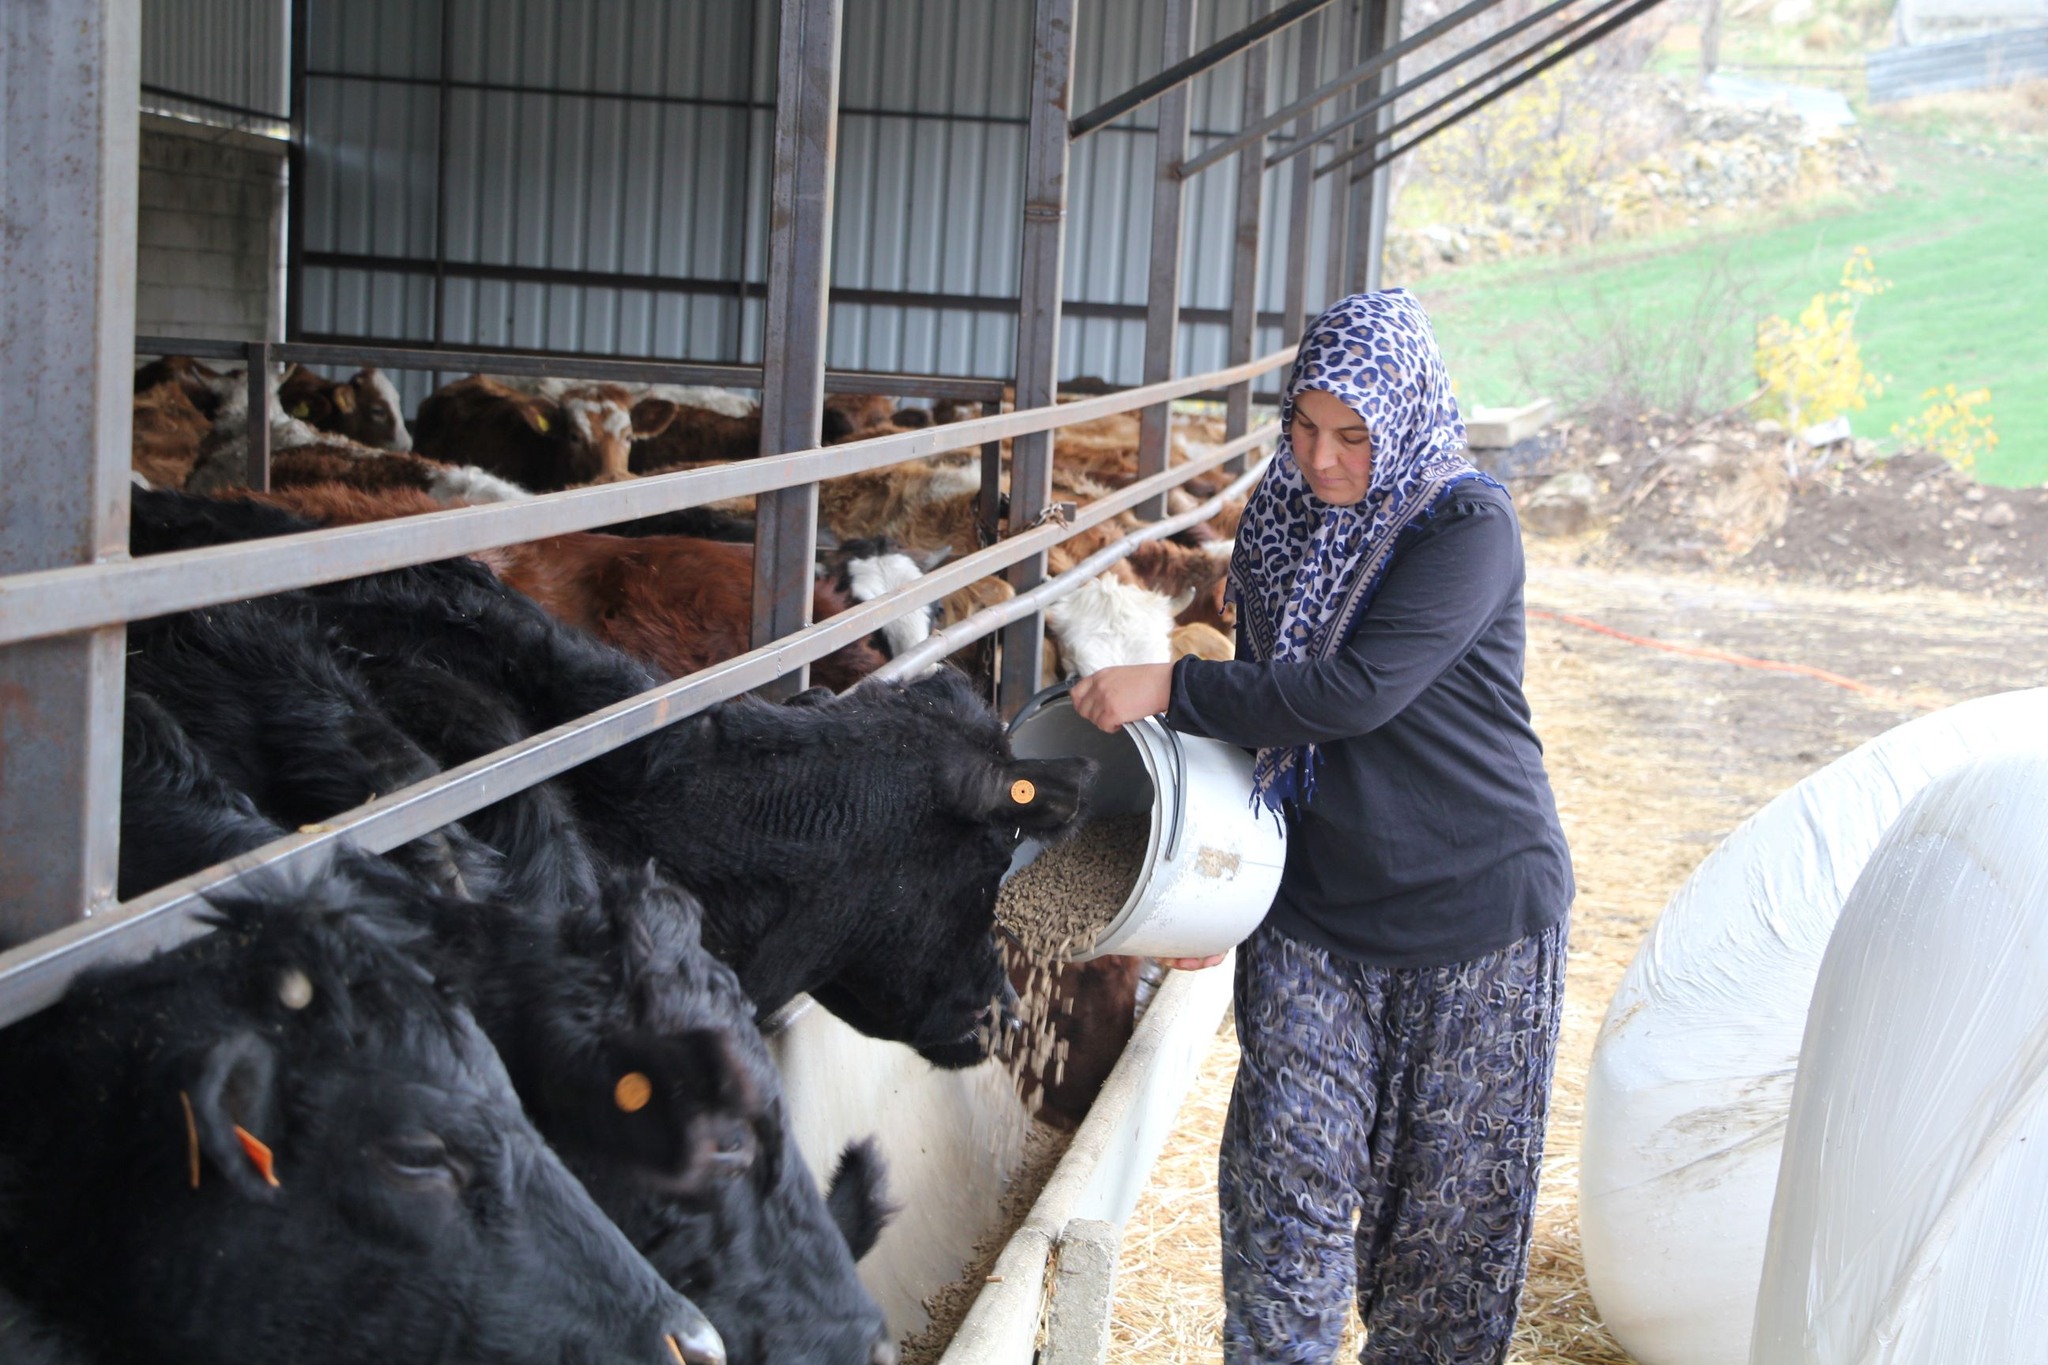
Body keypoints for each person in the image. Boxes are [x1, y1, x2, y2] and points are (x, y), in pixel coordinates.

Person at [1070, 289, 1573, 1364]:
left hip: (1473, 915)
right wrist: (1214, 882)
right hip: (1312, 919)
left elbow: (1350, 692)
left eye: (1352, 435)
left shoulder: (1463, 523)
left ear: (1403, 419)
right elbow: (1268, 716)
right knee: (1282, 1200)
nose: (1321, 459)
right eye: (1301, 426)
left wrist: (1171, 684)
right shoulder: (1283, 520)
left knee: (1443, 1238)